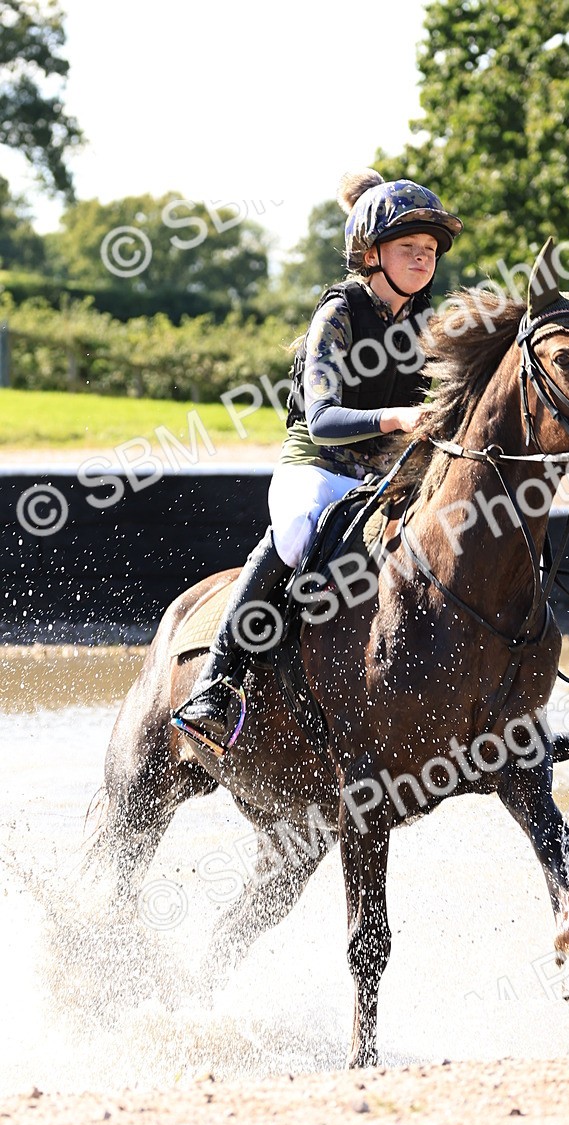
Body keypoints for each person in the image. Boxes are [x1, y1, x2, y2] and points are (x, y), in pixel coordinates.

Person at [172, 169, 461, 750]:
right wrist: (396, 419)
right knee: (298, 535)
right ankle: (217, 680)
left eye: (429, 250)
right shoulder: (339, 313)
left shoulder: (426, 323)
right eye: (409, 248)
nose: (423, 259)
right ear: (372, 253)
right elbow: (324, 417)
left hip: (386, 475)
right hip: (318, 468)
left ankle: (498, 708)